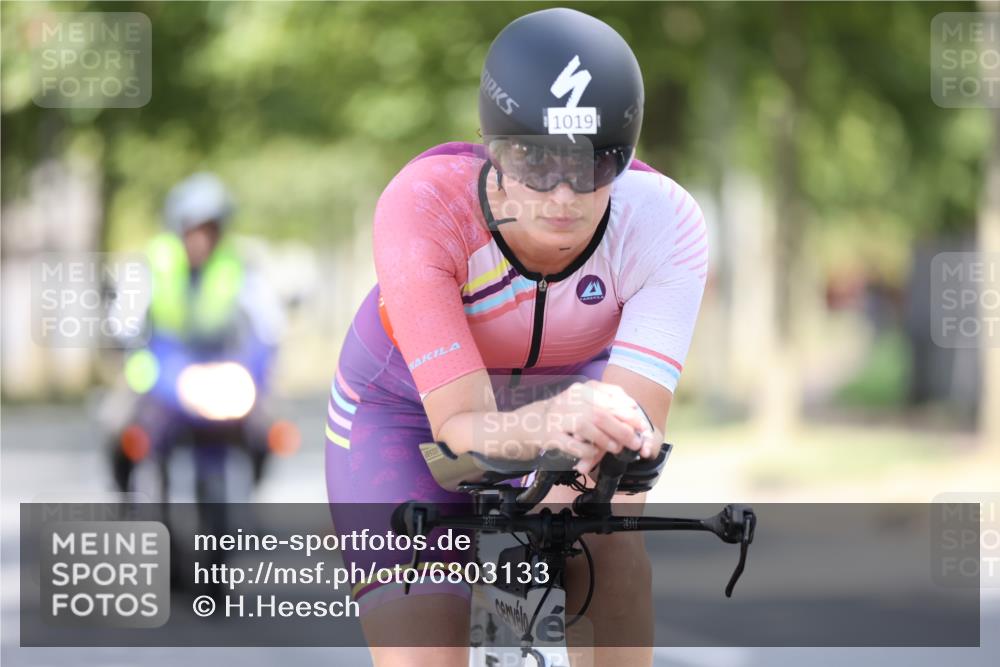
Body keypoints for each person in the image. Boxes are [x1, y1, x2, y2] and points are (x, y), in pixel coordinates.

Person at [325, 8, 708, 667]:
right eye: (534, 160)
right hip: (407, 412)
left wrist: (588, 462)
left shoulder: (664, 221)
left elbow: (630, 436)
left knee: (611, 539)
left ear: (624, 155)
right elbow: (459, 433)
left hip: (573, 393)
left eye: (592, 165)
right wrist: (555, 424)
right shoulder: (423, 205)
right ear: (491, 146)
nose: (563, 193)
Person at [113, 172, 284, 492]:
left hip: (220, 370)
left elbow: (267, 324)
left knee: (267, 426)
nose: (202, 239)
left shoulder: (239, 265)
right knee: (121, 424)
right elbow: (124, 321)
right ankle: (126, 494)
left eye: (211, 229)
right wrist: (133, 357)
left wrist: (260, 369)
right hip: (165, 370)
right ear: (179, 227)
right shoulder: (152, 263)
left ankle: (254, 488)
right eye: (195, 229)